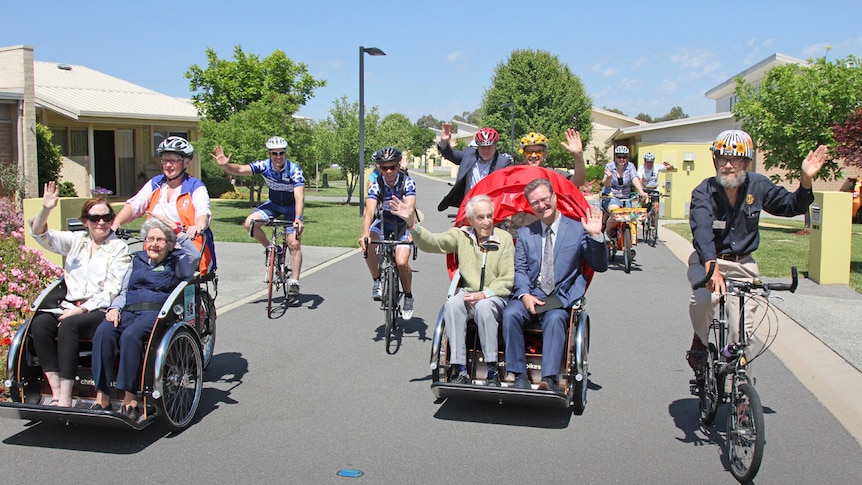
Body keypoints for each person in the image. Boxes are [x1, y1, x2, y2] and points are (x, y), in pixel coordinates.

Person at [686, 130, 828, 373]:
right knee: (704, 299)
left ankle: (741, 391)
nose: (728, 165)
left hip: (743, 264)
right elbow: (701, 231)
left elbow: (791, 206)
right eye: (722, 159)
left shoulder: (758, 185)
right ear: (714, 161)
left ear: (747, 162)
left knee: (741, 332)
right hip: (708, 261)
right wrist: (712, 265)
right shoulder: (703, 192)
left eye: (736, 160)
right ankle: (700, 340)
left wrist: (805, 180)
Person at [390, 194, 514, 386]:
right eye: (481, 217)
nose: (487, 221)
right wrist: (412, 224)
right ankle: (459, 368)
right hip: (469, 292)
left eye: (490, 216)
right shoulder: (461, 235)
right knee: (453, 303)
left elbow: (507, 278)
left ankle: (492, 371)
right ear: (471, 219)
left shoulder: (504, 238)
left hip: (494, 296)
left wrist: (484, 294)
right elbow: (433, 242)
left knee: (484, 307)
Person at [27, 182, 131, 407]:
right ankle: (54, 388)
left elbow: (112, 289)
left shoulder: (118, 248)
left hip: (98, 309)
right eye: (95, 219)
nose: (101, 222)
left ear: (112, 220)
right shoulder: (76, 241)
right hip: (68, 305)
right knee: (40, 324)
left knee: (69, 325)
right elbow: (40, 233)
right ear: (86, 222)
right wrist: (46, 208)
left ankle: (65, 395)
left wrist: (81, 308)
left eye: (106, 218)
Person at [502, 178, 608, 391]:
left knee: (555, 318)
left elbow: (600, 265)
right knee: (510, 313)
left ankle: (549, 379)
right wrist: (524, 295)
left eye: (544, 199)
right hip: (532, 293)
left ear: (554, 197)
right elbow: (520, 269)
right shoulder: (525, 233)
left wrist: (596, 235)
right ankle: (519, 374)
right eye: (535, 203)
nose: (541, 206)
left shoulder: (578, 229)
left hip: (559, 297)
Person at [91, 215, 200, 419]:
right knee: (104, 332)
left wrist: (176, 231)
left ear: (169, 244)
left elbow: (194, 256)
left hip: (156, 313)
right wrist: (114, 309)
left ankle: (130, 397)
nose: (154, 244)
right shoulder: (136, 260)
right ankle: (102, 395)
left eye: (160, 240)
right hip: (129, 310)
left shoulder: (176, 262)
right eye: (150, 239)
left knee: (131, 336)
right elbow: (124, 290)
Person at [210, 136, 305, 298]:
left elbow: (299, 197)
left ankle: (294, 281)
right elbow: (239, 170)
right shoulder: (264, 166)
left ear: (285, 153)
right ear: (269, 154)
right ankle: (271, 248)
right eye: (274, 153)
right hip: (273, 204)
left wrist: (298, 218)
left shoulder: (294, 169)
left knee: (294, 243)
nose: (278, 157)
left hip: (290, 207)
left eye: (281, 153)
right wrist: (225, 166)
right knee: (250, 223)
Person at [113, 136, 216, 275]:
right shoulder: (155, 183)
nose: (168, 165)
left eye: (172, 160)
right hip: (157, 250)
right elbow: (135, 205)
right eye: (164, 160)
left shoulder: (194, 186)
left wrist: (197, 226)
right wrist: (116, 222)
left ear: (186, 163)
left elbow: (202, 212)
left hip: (185, 252)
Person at [358, 147, 417, 319]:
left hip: (402, 225)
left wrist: (412, 230)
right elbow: (369, 211)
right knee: (368, 246)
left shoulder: (407, 182)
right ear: (379, 168)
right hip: (383, 223)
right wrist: (364, 233)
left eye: (393, 167)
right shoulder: (377, 185)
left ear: (399, 166)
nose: (389, 171)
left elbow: (410, 209)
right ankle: (377, 280)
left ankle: (408, 295)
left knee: (401, 262)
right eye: (384, 168)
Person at [436, 123, 513, 211]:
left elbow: (509, 188)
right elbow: (450, 154)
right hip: (469, 207)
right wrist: (444, 142)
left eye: (489, 147)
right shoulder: (468, 155)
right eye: (483, 147)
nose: (486, 150)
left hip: (492, 209)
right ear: (478, 146)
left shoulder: (503, 162)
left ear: (496, 146)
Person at [601, 145, 648, 239]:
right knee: (616, 213)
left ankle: (627, 243)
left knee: (629, 217)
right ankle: (607, 232)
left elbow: (634, 178)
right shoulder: (609, 166)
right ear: (615, 157)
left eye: (624, 157)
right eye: (619, 157)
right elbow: (605, 184)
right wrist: (609, 178)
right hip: (612, 197)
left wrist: (642, 192)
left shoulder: (630, 166)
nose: (621, 159)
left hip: (626, 198)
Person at [519, 129, 588, 186]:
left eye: (538, 151)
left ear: (545, 154)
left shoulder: (554, 175)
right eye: (529, 152)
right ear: (524, 155)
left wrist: (578, 155)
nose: (533, 155)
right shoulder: (516, 175)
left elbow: (578, 182)